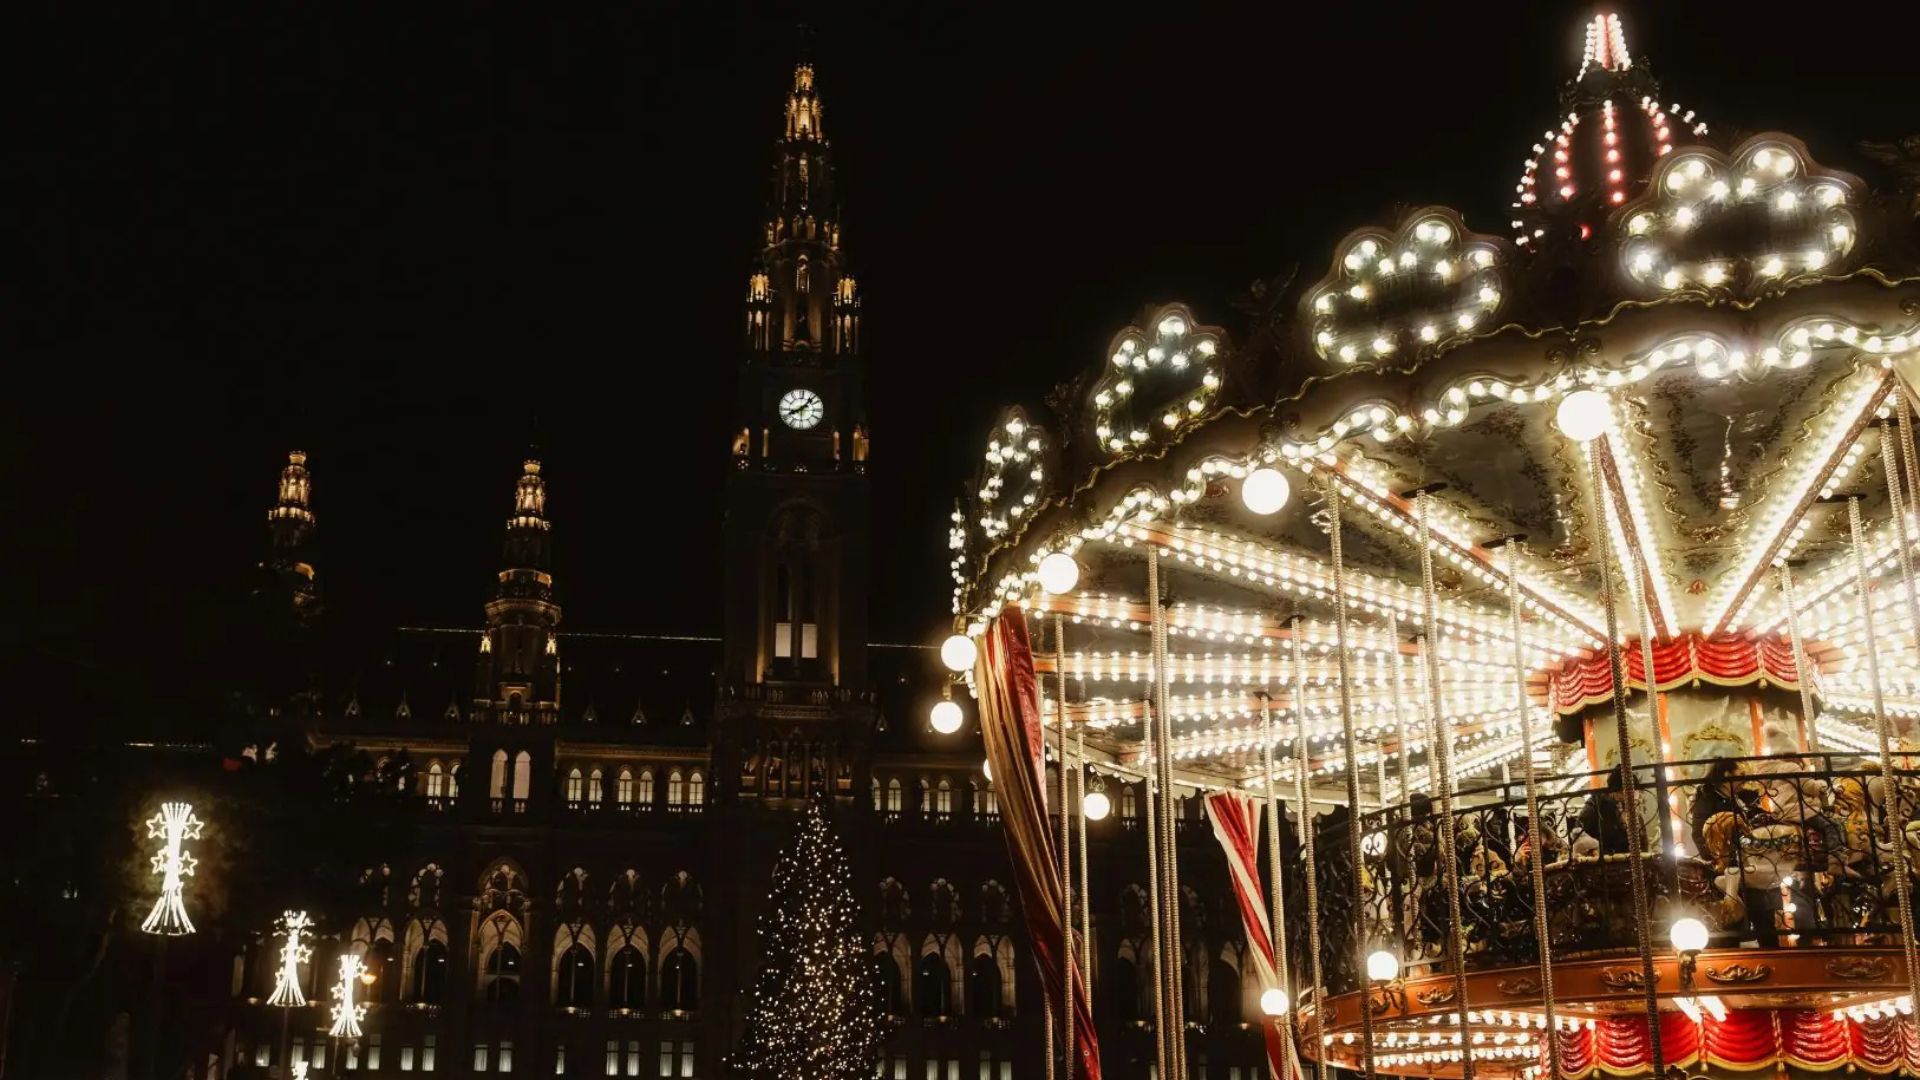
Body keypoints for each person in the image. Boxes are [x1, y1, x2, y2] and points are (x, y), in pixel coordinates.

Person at [1577, 768, 1635, 854]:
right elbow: (1579, 829)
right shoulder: (1597, 802)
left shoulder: (1627, 805)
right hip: (1603, 855)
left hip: (1624, 854)